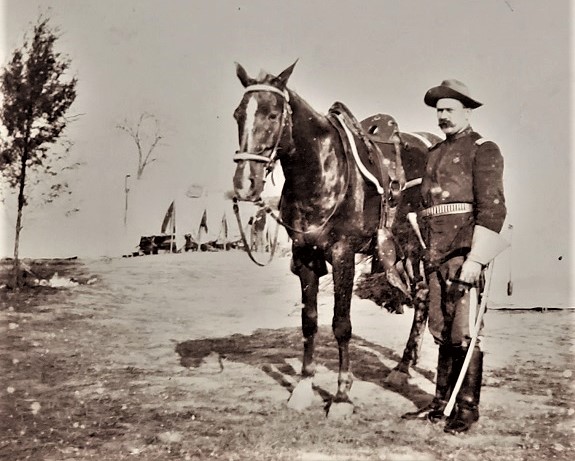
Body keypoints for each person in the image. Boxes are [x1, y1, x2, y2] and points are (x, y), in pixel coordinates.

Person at [402, 79, 507, 434]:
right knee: (440, 330)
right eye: (439, 111)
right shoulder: (434, 154)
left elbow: (492, 209)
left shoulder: (483, 149)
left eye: (449, 110)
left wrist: (476, 260)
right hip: (435, 255)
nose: (442, 116)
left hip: (464, 252)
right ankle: (440, 404)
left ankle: (466, 409)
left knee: (464, 332)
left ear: (467, 112)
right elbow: (425, 208)